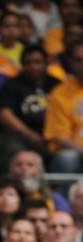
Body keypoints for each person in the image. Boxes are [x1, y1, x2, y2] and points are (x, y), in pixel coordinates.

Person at [0, 45, 60, 173]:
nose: (33, 67)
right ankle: (11, 186)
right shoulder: (12, 84)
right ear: (22, 64)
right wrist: (30, 135)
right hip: (20, 134)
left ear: (46, 63)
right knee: (10, 145)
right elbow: (4, 114)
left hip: (51, 134)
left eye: (38, 62)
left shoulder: (56, 84)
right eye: (28, 63)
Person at [44, 39, 83, 175]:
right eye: (79, 60)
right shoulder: (60, 93)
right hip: (77, 154)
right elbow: (60, 138)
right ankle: (62, 197)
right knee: (67, 158)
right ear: (71, 63)